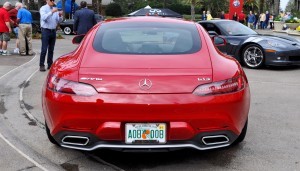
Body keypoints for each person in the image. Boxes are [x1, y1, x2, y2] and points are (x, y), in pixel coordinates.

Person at [39, 0, 63, 72]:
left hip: (53, 31)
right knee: (44, 49)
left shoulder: (55, 9)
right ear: (47, 1)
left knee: (51, 49)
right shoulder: (43, 8)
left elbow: (59, 21)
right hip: (45, 30)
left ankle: (50, 64)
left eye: (53, 0)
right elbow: (43, 18)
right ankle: (41, 65)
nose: (52, 1)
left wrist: (60, 15)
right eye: (51, 0)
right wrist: (52, 12)